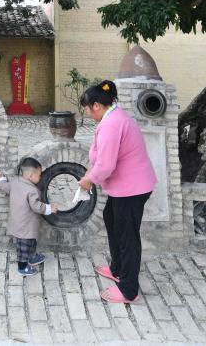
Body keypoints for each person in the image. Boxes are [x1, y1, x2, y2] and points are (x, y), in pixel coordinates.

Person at [78, 80, 156, 303]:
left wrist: (89, 180)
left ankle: (129, 290)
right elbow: (101, 156)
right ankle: (118, 268)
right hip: (127, 186)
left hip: (131, 189)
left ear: (96, 105)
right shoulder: (112, 117)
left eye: (86, 107)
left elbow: (106, 165)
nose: (86, 111)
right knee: (110, 217)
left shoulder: (112, 124)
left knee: (127, 236)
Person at [0, 157, 58, 277]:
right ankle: (22, 266)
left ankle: (33, 257)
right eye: (39, 175)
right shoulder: (32, 191)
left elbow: (5, 187)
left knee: (30, 242)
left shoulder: (14, 182)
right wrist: (50, 208)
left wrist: (1, 179)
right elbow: (36, 207)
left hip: (18, 223)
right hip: (25, 226)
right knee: (23, 248)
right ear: (30, 176)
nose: (40, 178)